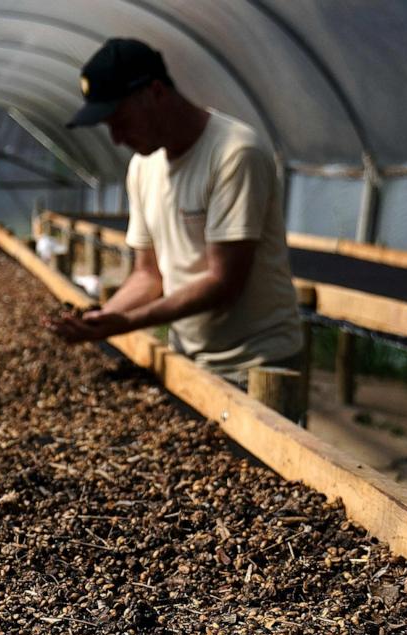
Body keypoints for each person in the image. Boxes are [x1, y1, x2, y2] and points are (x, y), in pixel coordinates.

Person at [47, 37, 303, 382]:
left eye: (120, 120)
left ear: (155, 93)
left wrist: (128, 323)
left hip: (255, 364)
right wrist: (101, 318)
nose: (117, 139)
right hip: (190, 357)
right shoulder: (142, 167)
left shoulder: (234, 153)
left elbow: (224, 282)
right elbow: (148, 274)